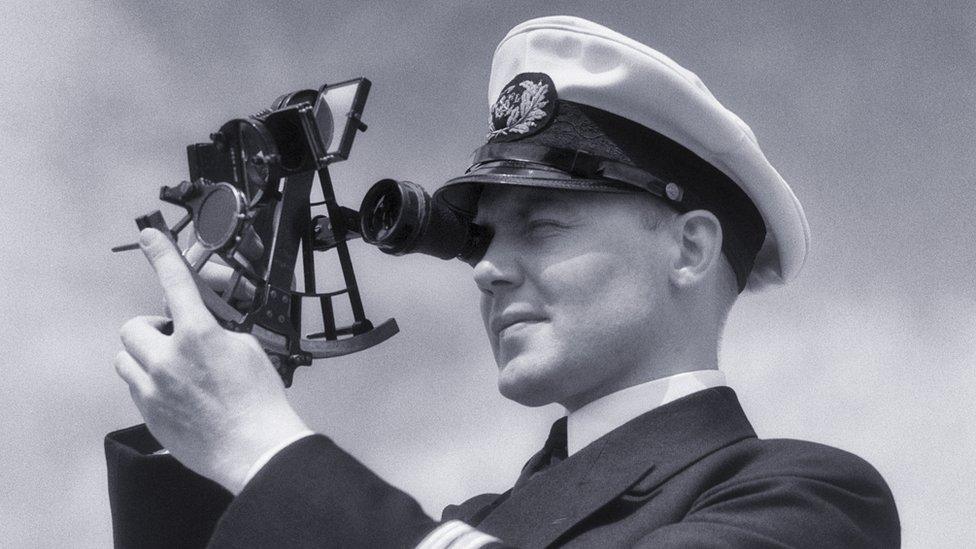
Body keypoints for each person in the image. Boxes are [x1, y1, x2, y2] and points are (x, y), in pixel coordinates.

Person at [106, 16, 900, 548]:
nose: (485, 267)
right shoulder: (475, 522)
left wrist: (264, 446)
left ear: (690, 248)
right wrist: (193, 428)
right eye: (482, 234)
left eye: (543, 226)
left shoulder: (811, 500)